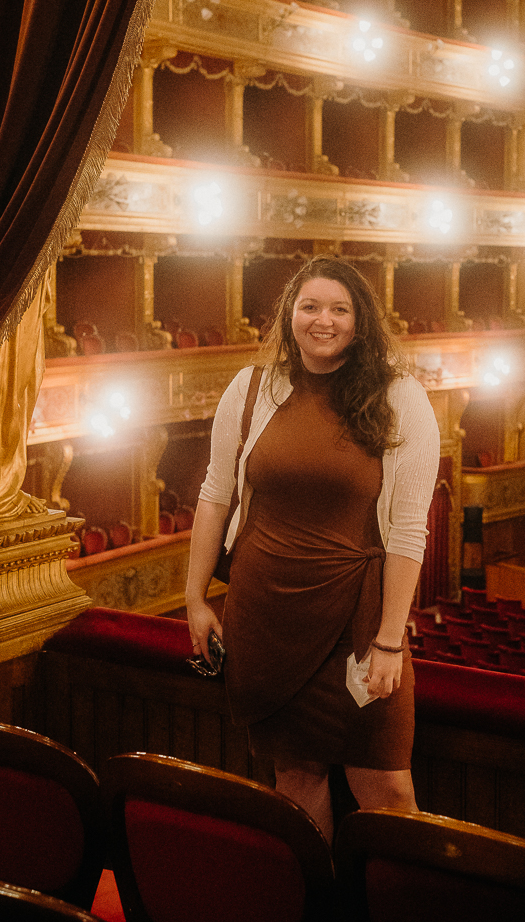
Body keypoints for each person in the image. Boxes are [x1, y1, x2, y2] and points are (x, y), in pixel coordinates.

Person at [185, 256, 440, 841]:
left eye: (339, 309)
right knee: (294, 778)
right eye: (310, 307)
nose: (323, 321)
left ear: (360, 321)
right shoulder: (251, 387)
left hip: (357, 621)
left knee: (385, 785)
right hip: (264, 613)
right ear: (289, 314)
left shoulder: (401, 396)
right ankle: (316, 919)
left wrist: (389, 640)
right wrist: (196, 597)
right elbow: (214, 494)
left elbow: (407, 533)